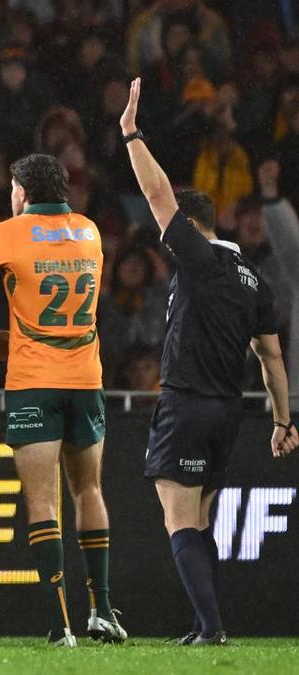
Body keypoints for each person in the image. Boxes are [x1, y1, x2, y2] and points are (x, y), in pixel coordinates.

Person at [120, 77, 297, 646]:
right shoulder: (255, 281)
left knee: (178, 520)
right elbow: (271, 357)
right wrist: (281, 419)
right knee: (199, 521)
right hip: (227, 413)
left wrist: (132, 135)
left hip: (188, 404)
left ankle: (212, 627)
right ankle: (205, 625)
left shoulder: (199, 259)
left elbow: (157, 194)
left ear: (191, 228)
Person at [0, 153, 124, 647]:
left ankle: (60, 624)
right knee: (89, 492)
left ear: (21, 192)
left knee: (43, 501)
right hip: (85, 378)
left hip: (34, 381)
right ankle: (103, 611)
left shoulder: (4, 235)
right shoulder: (90, 232)